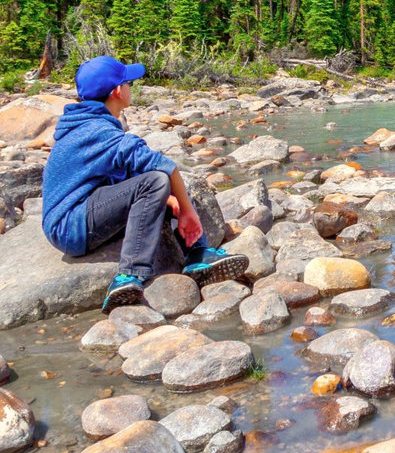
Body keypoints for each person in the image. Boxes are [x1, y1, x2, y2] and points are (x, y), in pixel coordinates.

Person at [41, 55, 243, 312]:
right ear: (117, 91)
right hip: (70, 225)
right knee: (157, 181)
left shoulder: (87, 122)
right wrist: (188, 210)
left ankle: (196, 255)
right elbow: (165, 166)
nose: (131, 88)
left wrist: (170, 200)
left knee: (161, 191)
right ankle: (128, 276)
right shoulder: (98, 131)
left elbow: (118, 173)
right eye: (128, 83)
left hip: (79, 214)